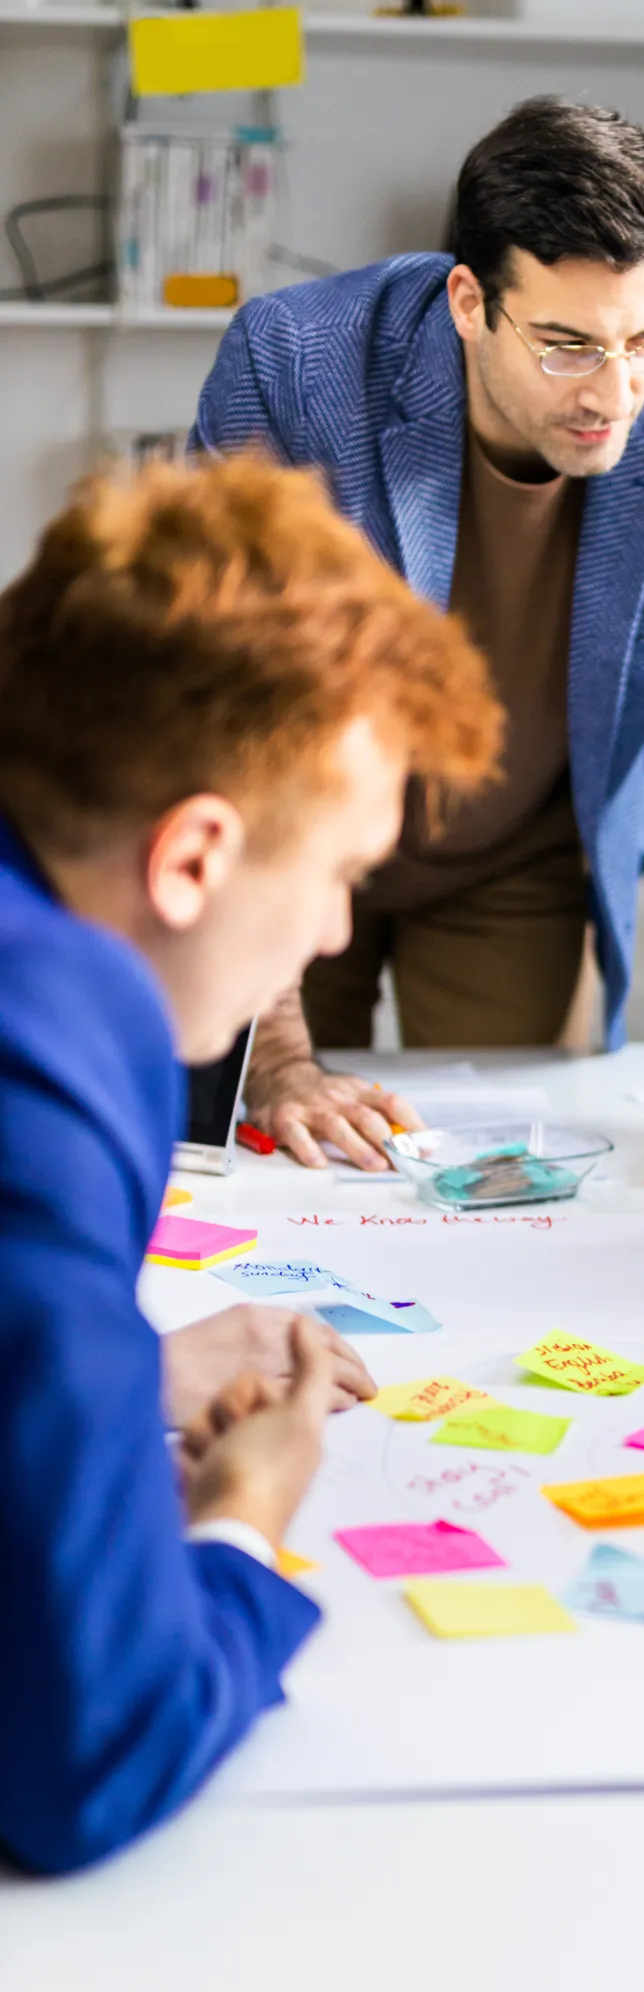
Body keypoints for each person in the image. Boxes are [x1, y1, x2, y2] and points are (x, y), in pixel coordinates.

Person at [193, 95, 644, 1174]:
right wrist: (277, 1052)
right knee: (272, 1153)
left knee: (495, 1183)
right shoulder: (295, 366)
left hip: (522, 851)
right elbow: (222, 711)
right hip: (293, 839)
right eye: (566, 345)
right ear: (469, 301)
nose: (617, 392)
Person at [0, 454, 502, 1872]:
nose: (339, 935)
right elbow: (90, 1756)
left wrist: (105, 1365)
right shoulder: (44, 1044)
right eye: (339, 872)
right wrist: (240, 1524)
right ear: (195, 859)